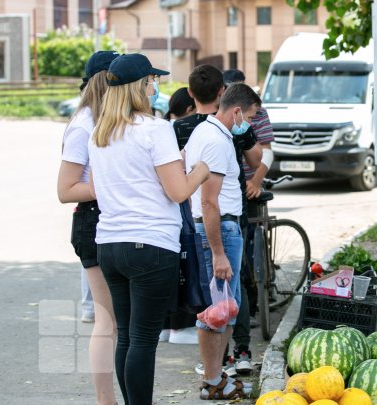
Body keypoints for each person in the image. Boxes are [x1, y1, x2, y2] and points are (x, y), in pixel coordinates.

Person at [88, 53, 210, 404]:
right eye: (152, 81)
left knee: (127, 335)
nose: (156, 87)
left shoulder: (100, 132)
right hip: (151, 245)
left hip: (110, 244)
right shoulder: (156, 129)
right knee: (143, 338)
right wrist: (200, 169)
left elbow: (99, 188)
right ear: (140, 86)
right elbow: (178, 191)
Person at [184, 83, 262, 400]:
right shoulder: (216, 141)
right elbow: (208, 202)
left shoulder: (208, 133)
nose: (251, 124)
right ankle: (213, 379)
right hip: (219, 230)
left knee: (227, 309)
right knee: (216, 311)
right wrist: (218, 253)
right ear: (237, 111)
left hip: (220, 229)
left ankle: (217, 377)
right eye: (251, 117)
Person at [57, 50, 119, 405]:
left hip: (113, 219)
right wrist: (111, 183)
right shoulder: (84, 124)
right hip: (92, 220)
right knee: (106, 320)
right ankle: (104, 400)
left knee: (117, 323)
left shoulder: (106, 119)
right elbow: (65, 190)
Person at [222, 68, 276, 376]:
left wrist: (257, 180)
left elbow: (266, 152)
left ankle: (255, 299)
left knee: (247, 255)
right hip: (225, 196)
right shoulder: (215, 122)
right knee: (235, 268)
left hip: (246, 188)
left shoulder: (258, 114)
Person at [158, 86, 201, 346]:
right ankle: (180, 327)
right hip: (178, 208)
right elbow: (179, 186)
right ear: (188, 109)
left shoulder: (161, 126)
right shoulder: (174, 131)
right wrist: (199, 171)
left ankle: (165, 326)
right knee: (185, 267)